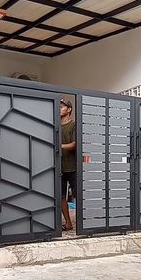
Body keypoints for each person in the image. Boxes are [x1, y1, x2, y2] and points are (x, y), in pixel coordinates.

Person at [60, 99, 76, 231]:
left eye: (62, 107)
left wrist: (58, 147)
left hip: (73, 167)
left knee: (78, 195)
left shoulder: (73, 125)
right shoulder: (56, 126)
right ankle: (68, 223)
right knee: (60, 196)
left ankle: (84, 225)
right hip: (59, 167)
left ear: (69, 109)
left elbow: (74, 145)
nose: (60, 108)